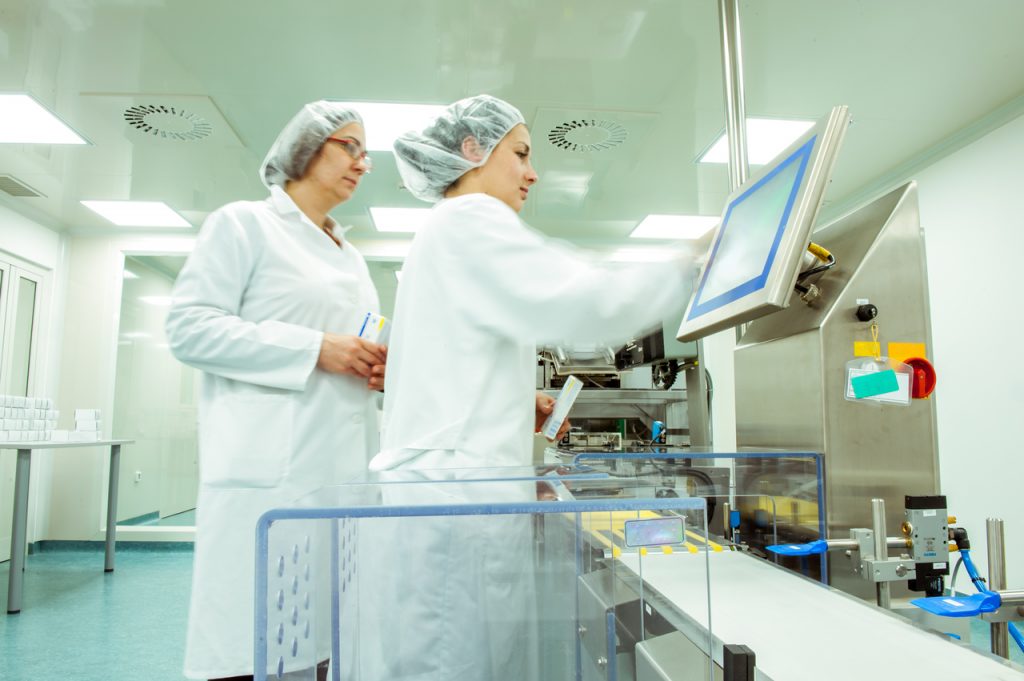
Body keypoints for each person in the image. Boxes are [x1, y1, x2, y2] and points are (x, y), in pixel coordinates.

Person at [359, 94, 697, 680]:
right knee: (452, 662)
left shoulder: (442, 233)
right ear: (473, 150)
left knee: (451, 655)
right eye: (520, 153)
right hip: (456, 506)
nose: (533, 173)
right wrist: (693, 262)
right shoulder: (469, 220)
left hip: (449, 492)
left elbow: (450, 373)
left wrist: (521, 403)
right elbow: (585, 303)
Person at [165, 101, 385, 681]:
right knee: (255, 640)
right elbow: (189, 329)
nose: (362, 163)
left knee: (327, 643)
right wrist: (315, 347)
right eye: (349, 146)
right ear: (303, 148)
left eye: (366, 153)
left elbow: (353, 342)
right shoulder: (243, 224)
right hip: (268, 475)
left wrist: (374, 369)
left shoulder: (352, 256)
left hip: (343, 471)